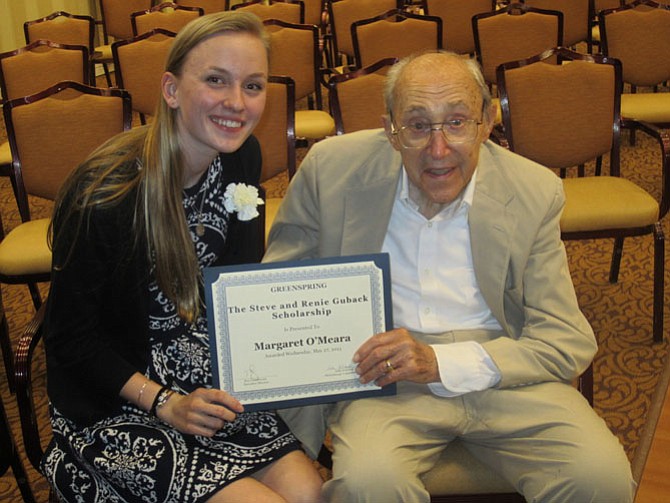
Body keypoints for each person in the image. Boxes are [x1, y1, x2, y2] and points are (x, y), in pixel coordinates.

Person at [264, 50, 636, 502]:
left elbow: (564, 339)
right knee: (369, 485)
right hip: (386, 378)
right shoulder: (331, 171)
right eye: (418, 126)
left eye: (457, 122)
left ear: (487, 121)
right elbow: (280, 292)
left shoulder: (532, 190)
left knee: (601, 477)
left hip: (503, 366)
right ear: (391, 130)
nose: (438, 150)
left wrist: (440, 363)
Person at [41, 11, 323, 503]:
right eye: (216, 80)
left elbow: (234, 282)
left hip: (204, 368)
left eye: (253, 85)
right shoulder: (107, 193)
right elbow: (70, 338)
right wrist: (165, 404)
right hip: (122, 391)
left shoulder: (242, 156)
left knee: (310, 493)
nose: (237, 103)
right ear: (171, 90)